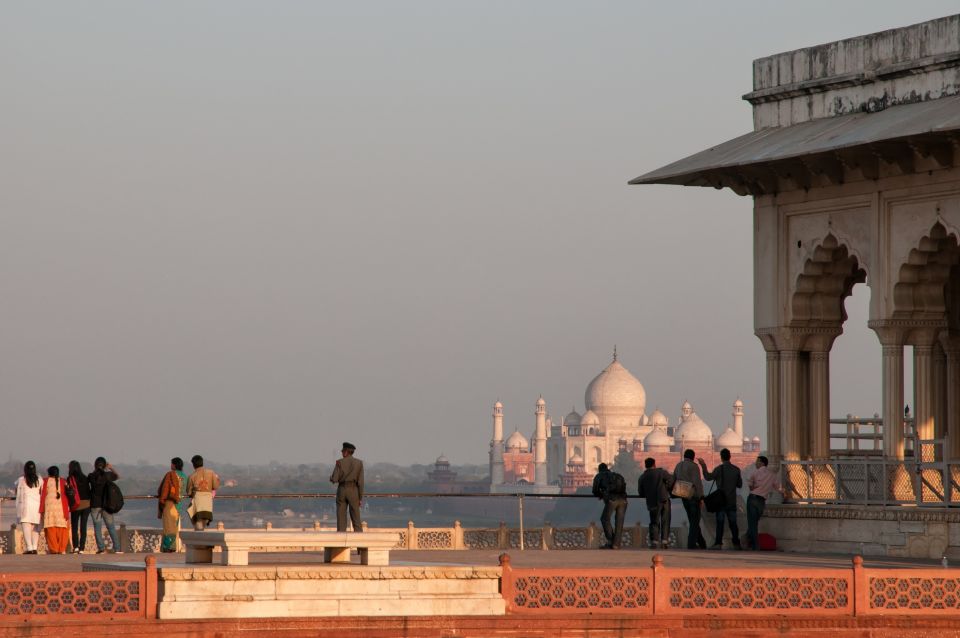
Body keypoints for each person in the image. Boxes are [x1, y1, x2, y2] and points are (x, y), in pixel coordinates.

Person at [699, 448, 743, 550]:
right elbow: (739, 485)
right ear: (730, 456)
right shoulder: (736, 470)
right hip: (731, 501)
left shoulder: (719, 469)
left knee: (720, 523)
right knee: (733, 523)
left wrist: (703, 465)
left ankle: (718, 543)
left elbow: (708, 477)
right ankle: (736, 544)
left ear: (721, 458)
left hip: (721, 501)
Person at [746, 455, 783, 550]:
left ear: (762, 463)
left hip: (753, 498)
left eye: (757, 461)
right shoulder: (772, 474)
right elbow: (778, 488)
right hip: (761, 501)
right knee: (754, 522)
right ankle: (750, 541)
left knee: (752, 523)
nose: (756, 463)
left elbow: (750, 486)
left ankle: (754, 545)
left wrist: (756, 487)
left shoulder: (755, 473)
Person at [637, 457, 675, 549]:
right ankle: (664, 541)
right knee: (665, 521)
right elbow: (671, 482)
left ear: (646, 466)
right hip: (664, 499)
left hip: (652, 502)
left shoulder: (643, 477)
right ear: (654, 464)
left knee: (654, 521)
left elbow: (641, 492)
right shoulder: (662, 473)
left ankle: (654, 541)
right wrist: (666, 487)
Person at [673, 449, 707, 549]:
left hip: (683, 495)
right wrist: (701, 497)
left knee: (693, 521)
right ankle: (691, 544)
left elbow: (674, 478)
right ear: (693, 457)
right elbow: (697, 483)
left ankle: (702, 543)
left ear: (684, 456)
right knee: (694, 521)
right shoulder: (694, 466)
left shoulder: (678, 465)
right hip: (693, 497)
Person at [88, 456, 122, 554]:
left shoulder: (91, 476)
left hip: (95, 504)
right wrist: (110, 468)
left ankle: (101, 548)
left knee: (97, 528)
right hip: (107, 505)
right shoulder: (108, 475)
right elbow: (118, 476)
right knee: (111, 527)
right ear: (104, 465)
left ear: (95, 465)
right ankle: (117, 548)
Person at [591, 462, 627, 549]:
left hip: (612, 500)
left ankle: (611, 540)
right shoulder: (616, 475)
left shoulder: (599, 476)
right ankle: (616, 544)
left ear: (599, 469)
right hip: (623, 500)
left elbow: (595, 490)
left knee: (605, 519)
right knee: (619, 522)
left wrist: (601, 495)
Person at [330, 442, 364, 532]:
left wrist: (332, 478)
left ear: (346, 452)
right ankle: (361, 544)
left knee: (341, 519)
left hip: (342, 489)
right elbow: (360, 483)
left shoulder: (339, 462)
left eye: (343, 451)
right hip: (353, 491)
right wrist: (360, 498)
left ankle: (340, 543)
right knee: (356, 519)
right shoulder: (359, 463)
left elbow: (334, 479)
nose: (342, 453)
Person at [40, 466, 70, 554]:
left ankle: (54, 549)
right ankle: (61, 549)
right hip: (61, 508)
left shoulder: (45, 481)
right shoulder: (64, 481)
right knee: (62, 528)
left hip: (49, 508)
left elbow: (40, 493)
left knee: (51, 528)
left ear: (49, 473)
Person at [186, 455, 220, 530]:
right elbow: (215, 486)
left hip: (198, 504)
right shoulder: (211, 473)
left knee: (198, 526)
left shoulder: (192, 476)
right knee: (203, 525)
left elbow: (188, 492)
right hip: (208, 503)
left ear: (193, 465)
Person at [14, 461, 42, 554]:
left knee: (26, 528)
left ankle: (29, 548)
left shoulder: (21, 479)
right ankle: (34, 548)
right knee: (35, 528)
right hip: (36, 506)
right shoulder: (40, 479)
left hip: (25, 506)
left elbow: (16, 489)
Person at [157, 458, 183, 551]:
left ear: (174, 465)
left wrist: (162, 500)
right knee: (174, 527)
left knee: (168, 527)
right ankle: (171, 546)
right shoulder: (184, 476)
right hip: (179, 505)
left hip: (170, 503)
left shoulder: (170, 474)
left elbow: (164, 489)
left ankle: (168, 547)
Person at [67, 460, 92, 554]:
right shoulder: (85, 478)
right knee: (83, 526)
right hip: (86, 504)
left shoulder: (70, 479)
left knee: (74, 526)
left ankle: (76, 547)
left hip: (76, 505)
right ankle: (82, 548)